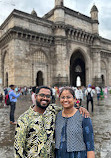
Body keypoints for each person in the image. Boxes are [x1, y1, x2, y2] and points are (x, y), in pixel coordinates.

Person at [14, 86, 89, 158]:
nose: (45, 98)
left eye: (48, 96)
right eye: (42, 95)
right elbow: (18, 148)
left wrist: (80, 108)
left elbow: (68, 109)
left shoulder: (53, 111)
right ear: (35, 96)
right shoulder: (24, 119)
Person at [55, 87, 95, 158]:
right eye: (62, 97)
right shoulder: (56, 116)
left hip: (78, 155)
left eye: (68, 97)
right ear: (59, 99)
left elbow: (90, 145)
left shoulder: (83, 116)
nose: (65, 100)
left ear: (74, 99)